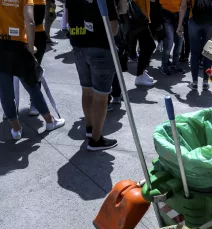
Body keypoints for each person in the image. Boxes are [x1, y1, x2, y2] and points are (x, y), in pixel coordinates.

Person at [66, 0, 127, 151]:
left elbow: (68, 20)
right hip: (100, 47)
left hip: (79, 45)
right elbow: (113, 28)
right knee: (101, 95)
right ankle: (96, 139)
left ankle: (90, 127)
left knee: (86, 90)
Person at [0, 0, 65, 140]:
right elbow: (30, 22)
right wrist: (31, 46)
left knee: (5, 91)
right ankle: (49, 120)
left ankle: (16, 129)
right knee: (32, 85)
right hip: (19, 46)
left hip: (1, 45)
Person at [177, 0, 212, 90]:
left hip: (195, 20)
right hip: (211, 21)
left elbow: (183, 6)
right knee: (208, 53)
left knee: (194, 53)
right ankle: (205, 82)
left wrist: (179, 26)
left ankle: (194, 82)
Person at [28, 0, 49, 116]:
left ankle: (35, 103)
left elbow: (37, 19)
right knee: (11, 73)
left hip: (36, 36)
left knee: (34, 71)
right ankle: (11, 107)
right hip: (17, 36)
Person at [130, 0, 156, 86]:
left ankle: (141, 72)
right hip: (138, 19)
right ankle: (139, 75)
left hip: (141, 18)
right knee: (149, 46)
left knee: (146, 46)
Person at [159, 0, 184, 75]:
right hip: (166, 13)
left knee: (179, 42)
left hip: (179, 13)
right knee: (169, 42)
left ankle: (174, 65)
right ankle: (164, 65)